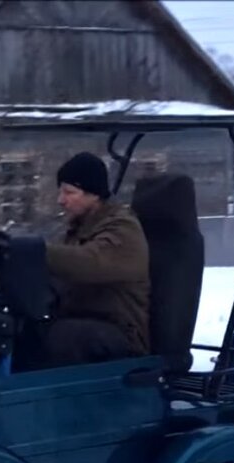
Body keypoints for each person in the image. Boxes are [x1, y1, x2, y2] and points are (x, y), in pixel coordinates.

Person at [40, 151, 151, 365]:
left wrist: (36, 251)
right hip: (89, 321)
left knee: (63, 337)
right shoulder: (79, 229)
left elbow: (90, 263)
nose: (60, 200)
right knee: (22, 329)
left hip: (123, 334)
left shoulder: (122, 228)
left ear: (94, 194)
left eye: (69, 192)